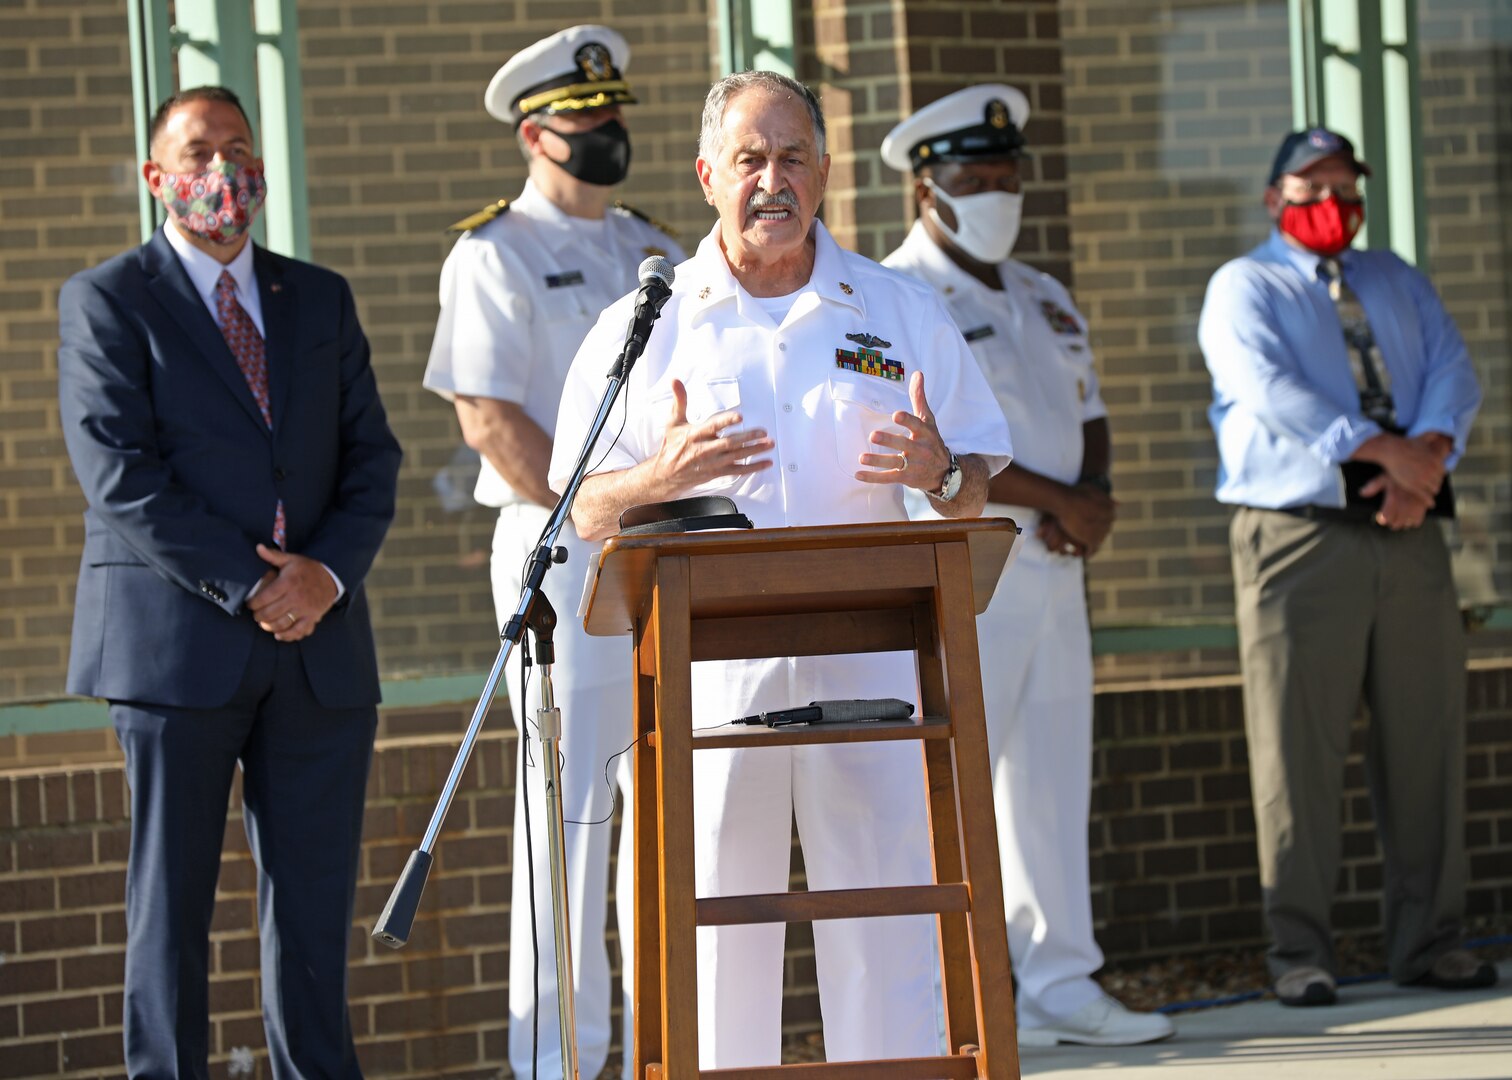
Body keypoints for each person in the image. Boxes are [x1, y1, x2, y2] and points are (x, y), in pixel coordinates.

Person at [547, 70, 1013, 1069]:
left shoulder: (897, 308)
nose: (772, 179)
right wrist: (657, 477)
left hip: (879, 682)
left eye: (793, 157)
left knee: (889, 934)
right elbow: (578, 508)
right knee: (711, 941)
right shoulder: (652, 322)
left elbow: (979, 484)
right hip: (709, 686)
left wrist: (943, 473)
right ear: (709, 174)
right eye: (750, 159)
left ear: (826, 173)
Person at [57, 86, 401, 1076]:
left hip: (318, 656)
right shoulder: (109, 298)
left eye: (240, 149)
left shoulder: (319, 298)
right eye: (199, 152)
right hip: (177, 653)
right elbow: (120, 473)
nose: (224, 171)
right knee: (170, 912)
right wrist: (253, 587)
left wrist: (325, 576)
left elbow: (371, 460)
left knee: (312, 912)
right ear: (155, 178)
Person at [880, 85, 1173, 1047]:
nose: (999, 194)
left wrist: (1090, 500)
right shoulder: (898, 296)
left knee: (1051, 776)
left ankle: (1060, 981)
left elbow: (1085, 412)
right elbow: (934, 441)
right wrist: (1063, 501)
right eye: (976, 179)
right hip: (969, 565)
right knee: (958, 783)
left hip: (1053, 567)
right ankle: (969, 991)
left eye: (1008, 178)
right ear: (928, 190)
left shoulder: (1043, 292)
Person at [420, 25, 684, 1080]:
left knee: (661, 806)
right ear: (536, 133)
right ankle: (560, 1064)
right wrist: (600, 507)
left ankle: (659, 1051)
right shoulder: (493, 253)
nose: (608, 130)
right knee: (568, 817)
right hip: (561, 558)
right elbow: (490, 421)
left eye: (614, 111)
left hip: (665, 553)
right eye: (587, 118)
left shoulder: (653, 248)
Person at [1199, 126, 1493, 1007]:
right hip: (1299, 534)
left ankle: (1430, 940)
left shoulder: (1395, 277)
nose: (1331, 201)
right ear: (1274, 197)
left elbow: (1452, 370)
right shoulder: (1243, 285)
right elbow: (1268, 388)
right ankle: (1299, 951)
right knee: (1297, 750)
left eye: (1344, 183)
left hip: (1410, 529)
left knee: (1426, 741)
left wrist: (1426, 458)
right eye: (1311, 184)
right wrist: (1378, 454)